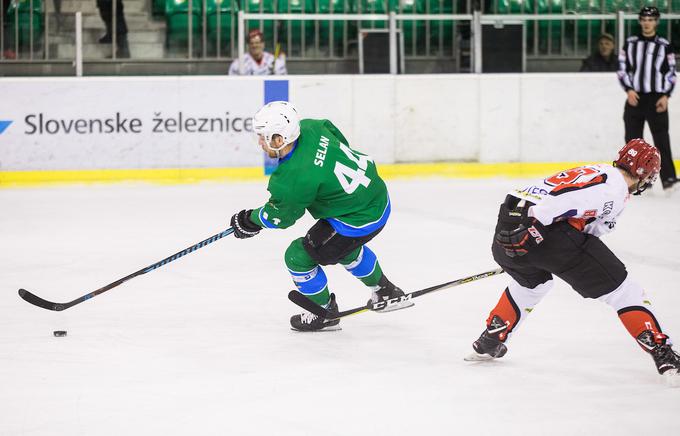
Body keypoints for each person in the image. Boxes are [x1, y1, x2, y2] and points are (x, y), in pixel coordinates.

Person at [467, 139, 679, 386]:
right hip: (536, 232)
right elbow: (570, 212)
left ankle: (490, 340)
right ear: (645, 173)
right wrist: (532, 234)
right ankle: (665, 357)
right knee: (624, 291)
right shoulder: (614, 190)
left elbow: (539, 198)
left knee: (532, 284)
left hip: (506, 228)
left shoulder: (598, 170)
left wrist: (521, 244)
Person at [229, 101, 412, 331]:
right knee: (343, 248)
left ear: (279, 139)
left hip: (357, 219)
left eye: (263, 137)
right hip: (376, 197)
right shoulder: (312, 127)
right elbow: (339, 142)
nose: (260, 142)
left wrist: (249, 221)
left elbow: (280, 217)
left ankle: (323, 313)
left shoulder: (293, 177)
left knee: (298, 256)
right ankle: (386, 290)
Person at [618, 6, 677, 190]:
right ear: (640, 21)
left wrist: (666, 95)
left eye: (651, 19)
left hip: (657, 99)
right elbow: (622, 68)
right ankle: (634, 179)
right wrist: (628, 90)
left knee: (661, 139)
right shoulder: (630, 43)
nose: (647, 22)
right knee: (632, 141)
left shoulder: (665, 45)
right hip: (634, 98)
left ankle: (668, 178)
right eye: (644, 19)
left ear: (656, 22)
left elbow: (672, 73)